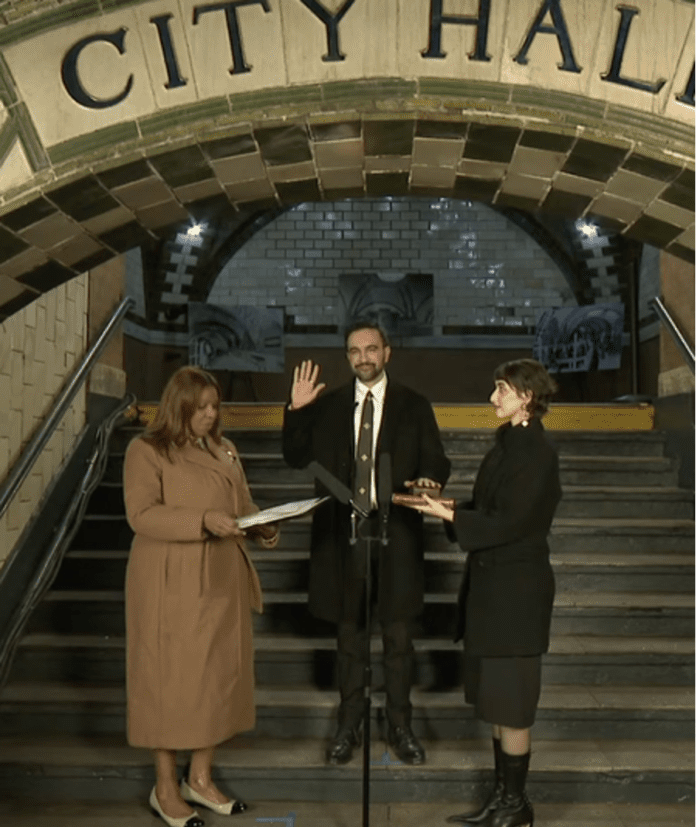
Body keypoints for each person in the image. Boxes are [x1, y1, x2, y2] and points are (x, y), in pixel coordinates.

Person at [282, 321, 450, 765]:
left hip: (397, 536)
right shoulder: (328, 405)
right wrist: (297, 410)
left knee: (399, 641)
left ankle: (401, 727)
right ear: (347, 357)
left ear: (387, 353)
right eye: (355, 351)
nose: (364, 358)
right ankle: (348, 726)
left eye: (371, 349)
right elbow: (295, 456)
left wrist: (430, 478)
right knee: (350, 640)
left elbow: (436, 459)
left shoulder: (414, 405)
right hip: (344, 537)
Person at [123, 366, 279, 827]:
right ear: (180, 406)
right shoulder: (146, 450)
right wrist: (203, 521)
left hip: (221, 577)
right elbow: (141, 514)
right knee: (169, 682)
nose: (210, 415)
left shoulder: (224, 449)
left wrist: (262, 525)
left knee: (214, 678)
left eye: (215, 406)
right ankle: (165, 787)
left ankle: (201, 779)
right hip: (170, 580)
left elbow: (242, 505)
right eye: (201, 407)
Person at [414, 358, 561, 827]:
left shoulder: (537, 453)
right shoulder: (509, 443)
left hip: (516, 597)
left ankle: (516, 805)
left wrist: (452, 517)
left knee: (513, 707)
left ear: (526, 397)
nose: (492, 397)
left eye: (501, 389)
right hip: (496, 593)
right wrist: (447, 506)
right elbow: (490, 507)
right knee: (500, 702)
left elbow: (512, 521)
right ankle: (504, 799)